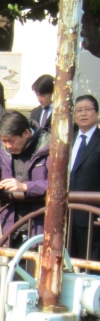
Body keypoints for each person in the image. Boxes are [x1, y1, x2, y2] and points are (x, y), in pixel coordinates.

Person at [0, 111, 49, 246]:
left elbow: (58, 185)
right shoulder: (2, 150)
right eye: (4, 141)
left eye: (11, 141)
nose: (8, 146)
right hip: (11, 226)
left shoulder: (49, 147)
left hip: (40, 225)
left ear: (26, 133)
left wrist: (25, 187)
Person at [69, 95, 100, 260]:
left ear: (97, 113)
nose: (83, 114)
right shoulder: (67, 139)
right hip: (67, 215)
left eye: (88, 109)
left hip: (92, 216)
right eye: (79, 110)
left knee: (91, 264)